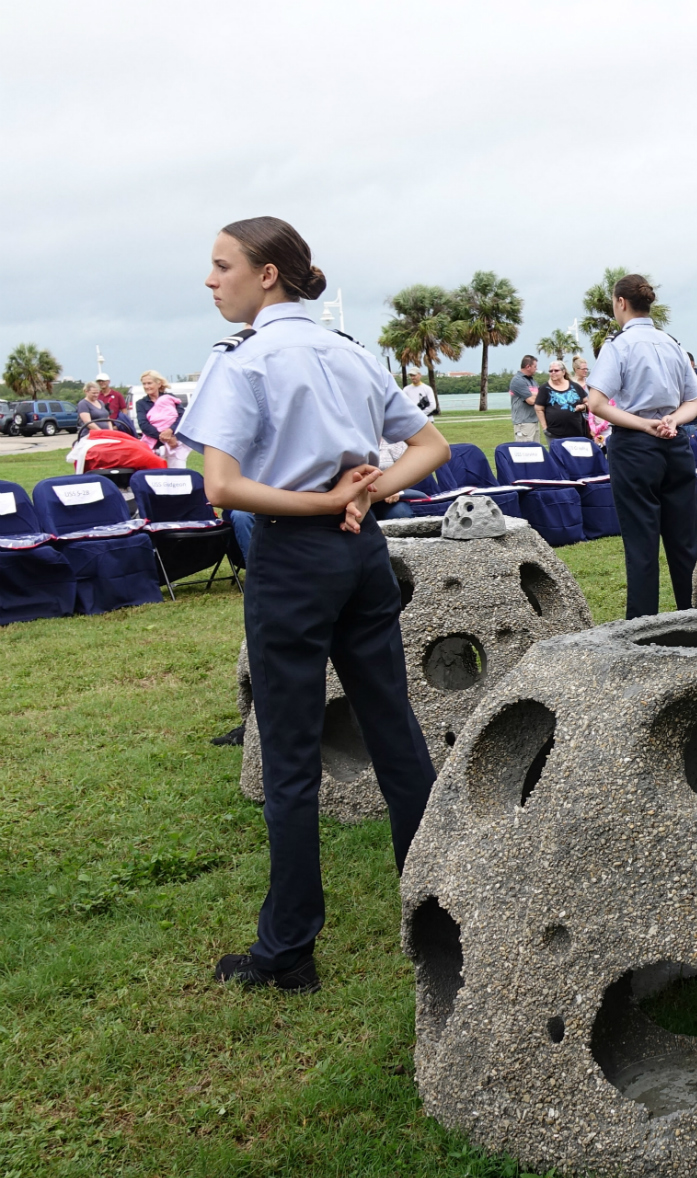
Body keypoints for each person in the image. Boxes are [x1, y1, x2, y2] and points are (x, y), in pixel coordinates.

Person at [180, 215, 449, 994]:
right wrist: (365, 495)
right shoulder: (349, 351)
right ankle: (438, 905)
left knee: (291, 756)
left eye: (222, 265)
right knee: (396, 732)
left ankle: (288, 952)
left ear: (268, 275)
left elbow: (223, 487)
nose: (211, 279)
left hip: (295, 558)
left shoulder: (245, 361)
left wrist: (332, 500)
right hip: (362, 556)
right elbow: (429, 445)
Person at [584, 274, 697, 619]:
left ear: (621, 302)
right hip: (676, 443)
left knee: (642, 545)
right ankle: (696, 619)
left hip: (636, 446)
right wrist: (673, 421)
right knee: (685, 543)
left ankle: (642, 626)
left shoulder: (618, 346)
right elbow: (695, 398)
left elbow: (597, 403)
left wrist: (644, 424)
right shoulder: (672, 343)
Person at [534, 359, 590, 438]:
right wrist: (545, 428)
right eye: (551, 371)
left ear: (563, 372)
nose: (553, 373)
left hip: (576, 431)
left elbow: (587, 402)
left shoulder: (575, 386)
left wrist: (583, 407)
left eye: (556, 370)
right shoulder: (544, 389)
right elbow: (538, 409)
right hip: (554, 433)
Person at [508, 355, 540, 441]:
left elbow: (542, 396)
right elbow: (531, 401)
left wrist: (533, 394)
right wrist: (535, 394)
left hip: (534, 421)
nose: (536, 369)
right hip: (523, 423)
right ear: (528, 367)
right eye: (535, 366)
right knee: (525, 452)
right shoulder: (518, 380)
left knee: (536, 451)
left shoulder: (532, 381)